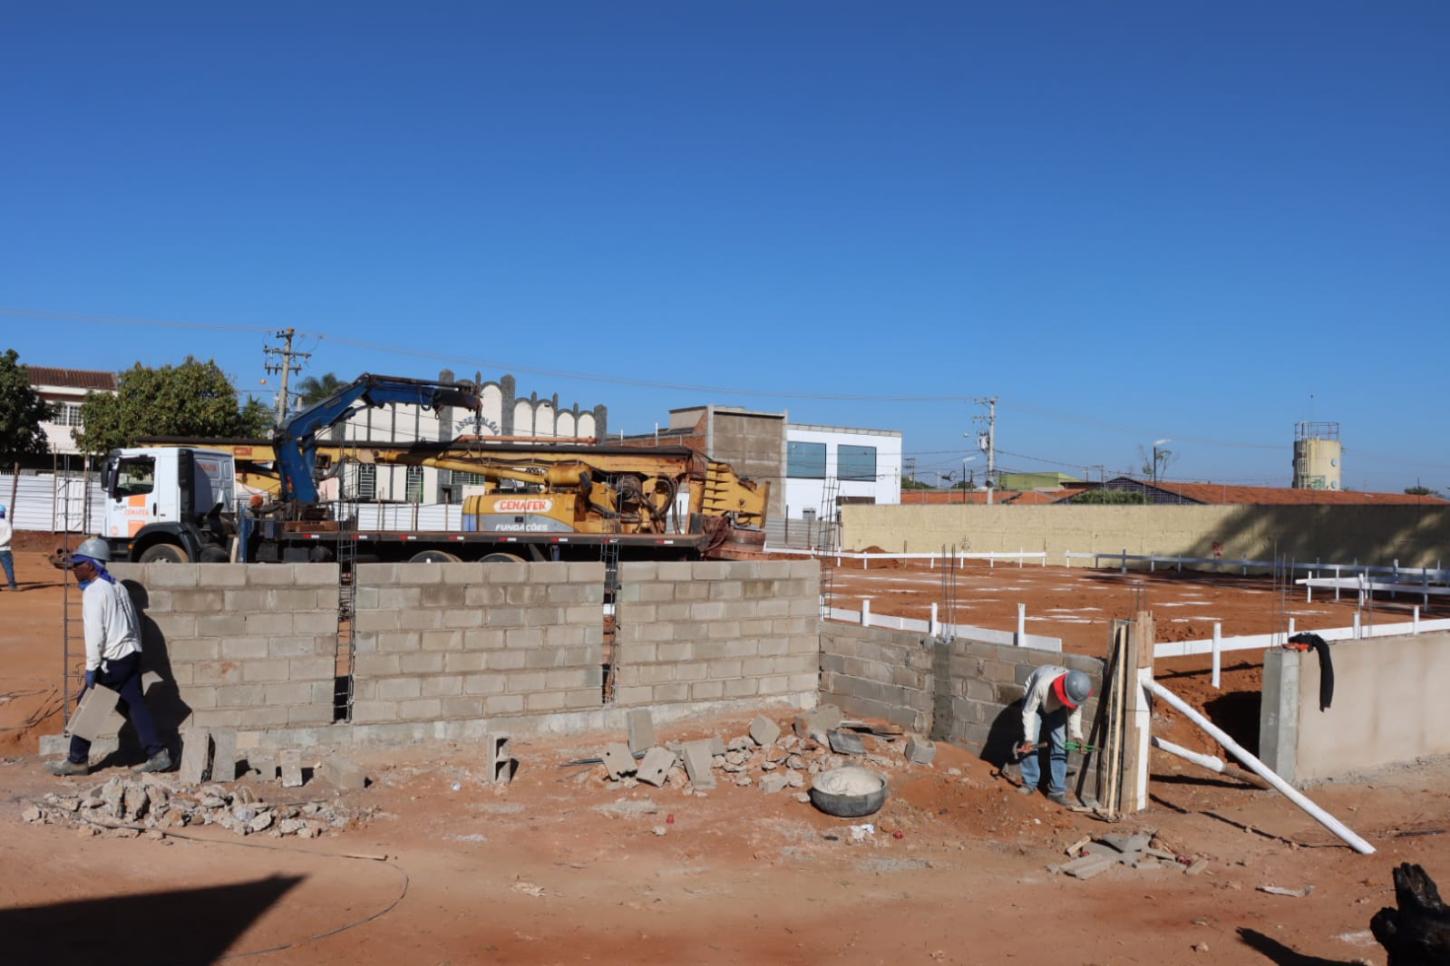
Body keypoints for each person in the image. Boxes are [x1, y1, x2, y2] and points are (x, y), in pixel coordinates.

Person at [48, 537, 170, 776]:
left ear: (91, 566)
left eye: (78, 564)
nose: (74, 569)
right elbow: (133, 622)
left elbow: (95, 634)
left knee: (90, 704)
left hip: (112, 659)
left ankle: (77, 760)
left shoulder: (95, 592)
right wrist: (134, 650)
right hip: (129, 654)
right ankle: (158, 753)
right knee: (135, 705)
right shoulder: (117, 586)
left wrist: (92, 668)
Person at [1015, 666, 1092, 805]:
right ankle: (1029, 783)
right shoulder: (1041, 685)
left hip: (1057, 705)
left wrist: (1078, 737)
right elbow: (1029, 712)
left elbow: (1075, 712)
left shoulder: (1076, 691)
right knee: (1031, 742)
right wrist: (1028, 738)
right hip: (1034, 703)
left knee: (1061, 743)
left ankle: (1056, 792)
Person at [0, 505, 17, 591]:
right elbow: (9, 536)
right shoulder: (7, 523)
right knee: (8, 567)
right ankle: (12, 585)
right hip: (5, 549)